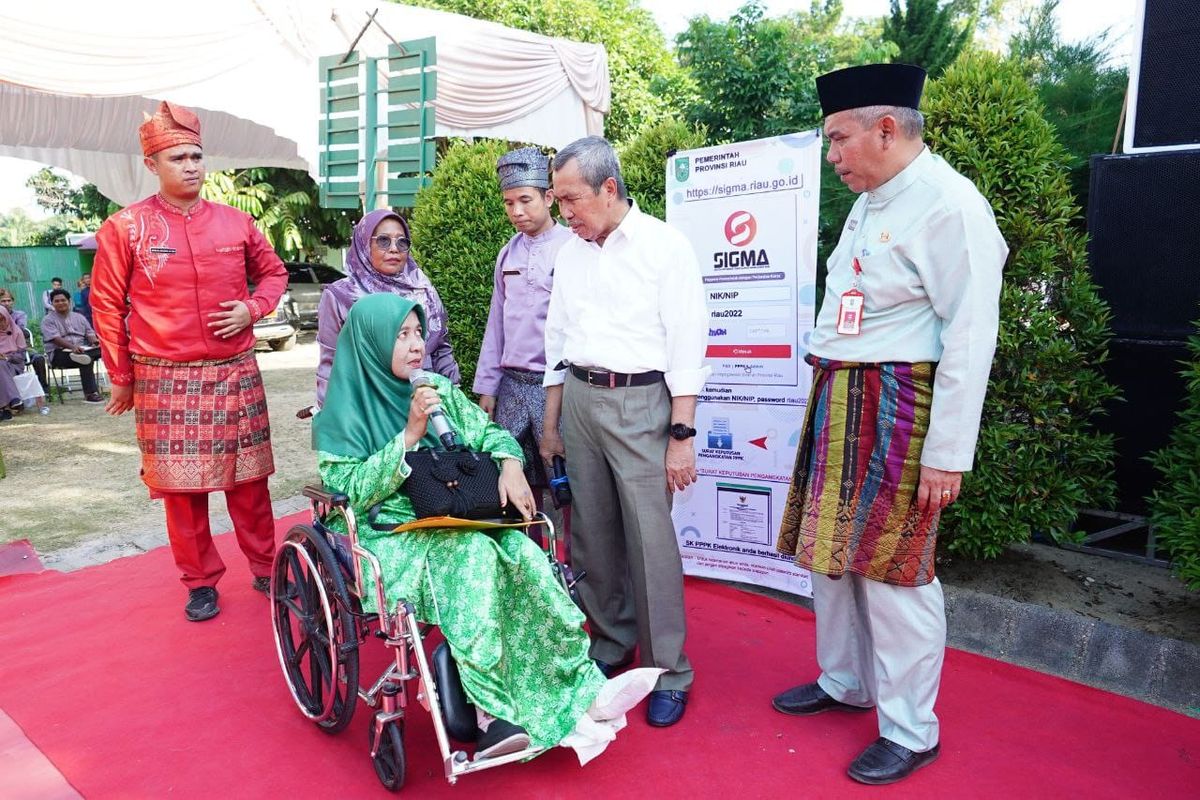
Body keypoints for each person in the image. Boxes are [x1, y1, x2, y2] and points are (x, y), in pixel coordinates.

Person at [771, 64, 1008, 785]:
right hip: (842, 395)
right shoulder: (869, 200)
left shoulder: (951, 204)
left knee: (896, 571)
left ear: (886, 128)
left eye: (839, 139)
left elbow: (971, 335)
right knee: (829, 554)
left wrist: (947, 454)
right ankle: (845, 682)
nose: (832, 155)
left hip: (901, 406)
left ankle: (911, 728)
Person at [314, 292, 657, 760]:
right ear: (370, 343)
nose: (417, 345)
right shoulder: (343, 412)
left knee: (526, 558)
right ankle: (490, 714)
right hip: (389, 533)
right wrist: (409, 436)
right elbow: (350, 490)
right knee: (474, 561)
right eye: (402, 336)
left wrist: (510, 462)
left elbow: (489, 432)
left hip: (452, 516)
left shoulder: (434, 388)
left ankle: (581, 689)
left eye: (419, 333)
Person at [90, 101, 288, 623]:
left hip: (234, 369)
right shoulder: (126, 228)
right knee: (182, 492)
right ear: (152, 165)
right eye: (178, 157)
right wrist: (120, 377)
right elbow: (107, 304)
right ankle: (200, 581)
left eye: (197, 156)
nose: (192, 166)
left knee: (250, 484)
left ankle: (267, 567)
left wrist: (253, 308)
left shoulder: (237, 222)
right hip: (163, 375)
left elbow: (273, 275)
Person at [541, 136, 709, 728]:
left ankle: (669, 669)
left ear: (609, 188)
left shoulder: (666, 247)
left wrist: (681, 434)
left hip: (643, 402)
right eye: (558, 201)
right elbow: (557, 340)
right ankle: (612, 647)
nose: (564, 212)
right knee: (590, 532)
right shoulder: (571, 253)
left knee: (650, 539)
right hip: (581, 400)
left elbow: (688, 343)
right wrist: (551, 423)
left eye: (571, 200)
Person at [474, 147, 573, 507]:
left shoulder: (574, 248)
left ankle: (571, 560)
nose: (516, 211)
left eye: (525, 200)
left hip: (557, 387)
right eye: (508, 202)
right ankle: (524, 557)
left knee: (565, 482)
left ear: (548, 197)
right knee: (509, 482)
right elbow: (495, 324)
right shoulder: (507, 253)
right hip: (512, 385)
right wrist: (488, 387)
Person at [314, 209, 459, 407]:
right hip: (368, 405)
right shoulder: (340, 295)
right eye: (383, 240)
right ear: (364, 243)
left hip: (423, 399)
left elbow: (441, 349)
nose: (394, 249)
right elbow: (330, 362)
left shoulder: (422, 289)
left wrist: (453, 396)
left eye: (402, 242)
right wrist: (329, 412)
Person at [40, 288, 104, 403]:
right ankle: (90, 394)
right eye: (57, 301)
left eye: (63, 300)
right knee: (85, 359)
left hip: (82, 350)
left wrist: (94, 341)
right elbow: (55, 339)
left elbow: (89, 332)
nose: (60, 303)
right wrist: (72, 348)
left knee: (103, 350)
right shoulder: (47, 320)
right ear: (52, 303)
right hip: (59, 353)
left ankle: (88, 356)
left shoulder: (79, 317)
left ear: (69, 301)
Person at [0, 306, 49, 417]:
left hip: (14, 365)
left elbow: (21, 357)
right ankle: (11, 402)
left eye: (2, 319)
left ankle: (8, 404)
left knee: (1, 364)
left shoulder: (16, 332)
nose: (0, 323)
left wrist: (7, 358)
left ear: (7, 318)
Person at [0, 288, 48, 395]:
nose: (7, 303)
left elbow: (20, 330)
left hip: (21, 348)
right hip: (3, 350)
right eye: (3, 301)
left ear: (13, 301)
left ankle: (43, 389)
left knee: (39, 358)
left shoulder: (19, 315)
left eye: (9, 300)